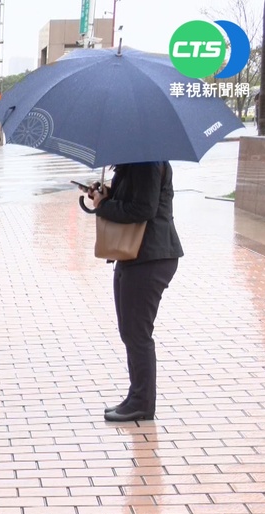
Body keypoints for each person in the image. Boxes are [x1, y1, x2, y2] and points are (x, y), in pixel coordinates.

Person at [88, 162, 182, 422]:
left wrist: (104, 206)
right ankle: (137, 395)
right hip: (135, 256)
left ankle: (142, 403)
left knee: (137, 333)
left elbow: (144, 208)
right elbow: (135, 197)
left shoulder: (147, 162)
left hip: (150, 257)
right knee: (130, 331)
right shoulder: (134, 162)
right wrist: (105, 195)